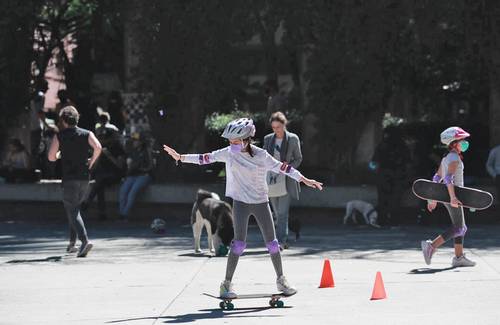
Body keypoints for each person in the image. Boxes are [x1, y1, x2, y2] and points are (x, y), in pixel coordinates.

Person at [163, 118, 323, 298]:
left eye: (235, 142)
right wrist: (181, 157)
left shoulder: (261, 155)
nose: (232, 145)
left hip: (261, 202)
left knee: (273, 243)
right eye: (230, 142)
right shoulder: (229, 153)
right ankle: (226, 284)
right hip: (240, 203)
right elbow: (205, 158)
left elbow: (283, 168)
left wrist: (305, 179)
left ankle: (281, 280)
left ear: (247, 139)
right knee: (239, 244)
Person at [48, 106, 101, 257]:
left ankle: (84, 241)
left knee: (72, 209)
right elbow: (98, 147)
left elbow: (51, 157)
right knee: (74, 208)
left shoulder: (60, 136)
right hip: (84, 177)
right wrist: (91, 161)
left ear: (64, 121)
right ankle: (72, 244)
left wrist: (58, 155)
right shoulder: (87, 133)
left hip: (69, 177)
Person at [421, 126, 476, 267]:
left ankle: (459, 257)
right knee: (460, 228)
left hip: (450, 196)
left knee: (461, 226)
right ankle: (431, 246)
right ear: (453, 143)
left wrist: (431, 198)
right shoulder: (453, 158)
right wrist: (453, 198)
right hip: (453, 196)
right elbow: (448, 178)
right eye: (461, 140)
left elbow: (436, 177)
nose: (464, 142)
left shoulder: (447, 157)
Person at [263, 112, 303, 249]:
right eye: (273, 127)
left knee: (282, 213)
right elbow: (263, 158)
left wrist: (289, 167)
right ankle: (279, 240)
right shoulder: (268, 139)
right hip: (271, 180)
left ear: (284, 125)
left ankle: (280, 241)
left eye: (278, 127)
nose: (276, 130)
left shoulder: (293, 139)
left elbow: (298, 158)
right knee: (276, 213)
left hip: (286, 180)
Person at [82, 114, 125, 220]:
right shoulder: (100, 148)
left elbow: (120, 166)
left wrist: (109, 155)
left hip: (115, 175)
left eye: (105, 137)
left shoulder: (117, 148)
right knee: (99, 184)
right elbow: (95, 166)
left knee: (99, 182)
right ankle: (102, 214)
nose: (103, 140)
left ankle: (87, 203)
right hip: (103, 175)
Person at [371, 126, 410, 227]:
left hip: (384, 175)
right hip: (398, 175)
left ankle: (382, 220)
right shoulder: (402, 146)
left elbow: (374, 161)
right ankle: (394, 221)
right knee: (396, 199)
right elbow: (408, 160)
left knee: (383, 199)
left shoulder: (382, 145)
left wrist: (375, 171)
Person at [118, 132, 153, 220]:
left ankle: (124, 215)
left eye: (136, 141)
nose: (134, 142)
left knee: (132, 192)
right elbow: (128, 166)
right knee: (123, 191)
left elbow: (150, 166)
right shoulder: (132, 151)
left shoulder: (147, 150)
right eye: (133, 141)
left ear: (141, 142)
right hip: (132, 175)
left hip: (143, 175)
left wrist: (140, 168)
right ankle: (122, 213)